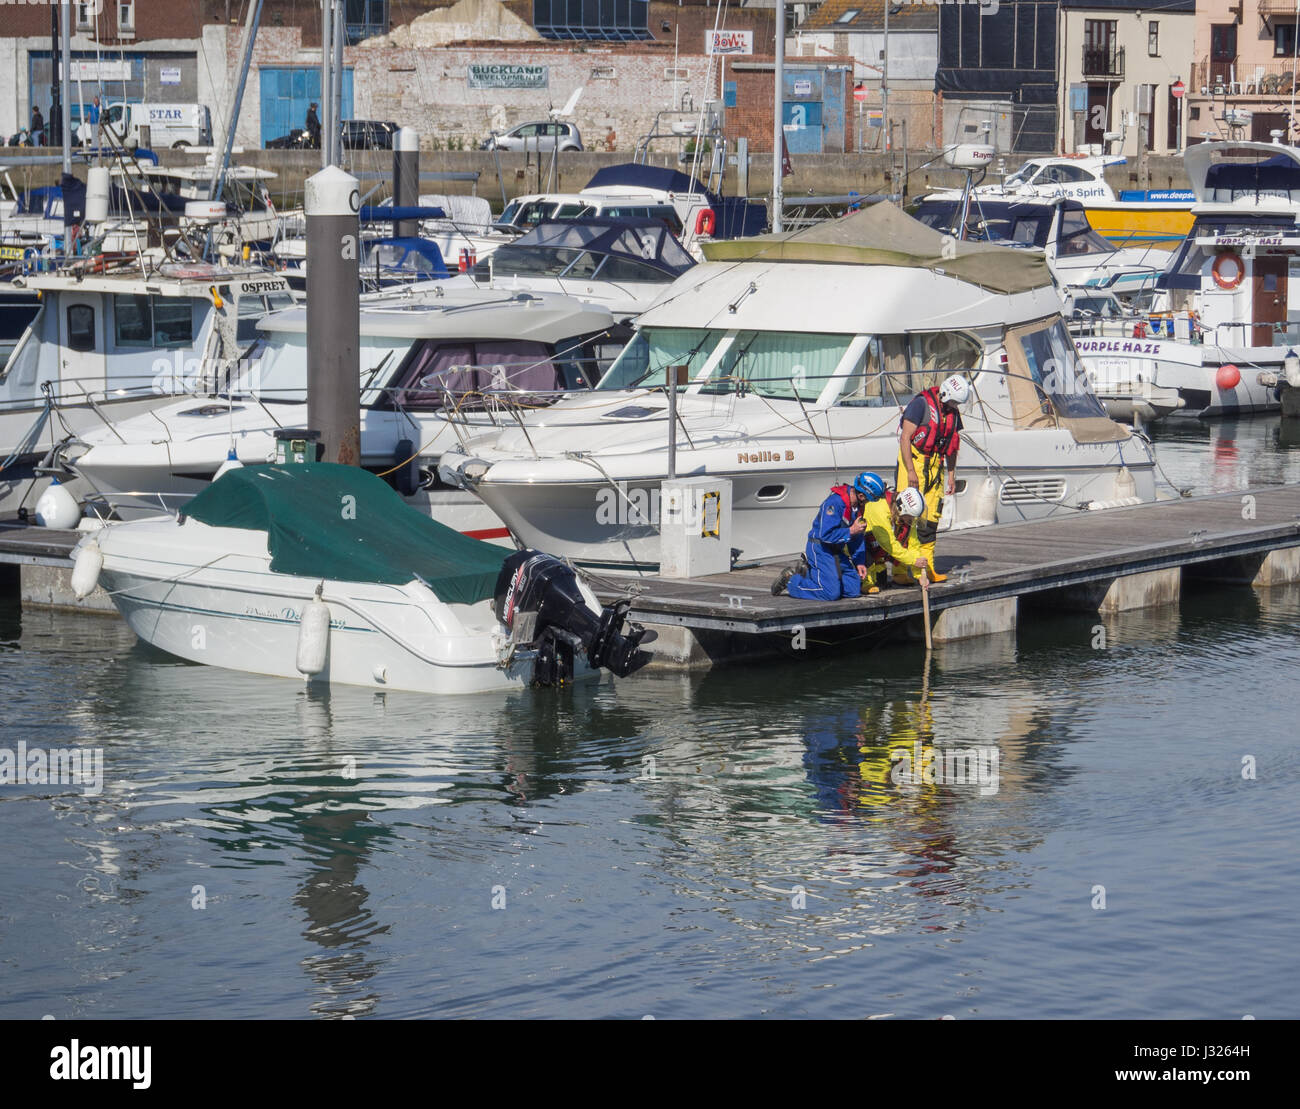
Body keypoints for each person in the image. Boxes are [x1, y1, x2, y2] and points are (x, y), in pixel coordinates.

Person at [896, 373, 970, 584]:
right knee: (905, 518)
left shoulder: (953, 412)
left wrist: (952, 474)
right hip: (914, 463)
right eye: (954, 401)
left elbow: (953, 445)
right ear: (946, 394)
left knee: (930, 521)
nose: (956, 406)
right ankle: (900, 571)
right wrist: (910, 470)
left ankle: (926, 569)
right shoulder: (921, 404)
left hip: (936, 467)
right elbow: (905, 438)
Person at [772, 472, 878, 601]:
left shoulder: (857, 508)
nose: (868, 503)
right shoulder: (834, 503)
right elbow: (825, 535)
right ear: (861, 495)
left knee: (853, 590)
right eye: (868, 499)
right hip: (820, 547)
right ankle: (792, 580)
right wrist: (850, 530)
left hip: (836, 550)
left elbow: (857, 537)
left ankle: (812, 573)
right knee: (830, 593)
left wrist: (859, 562)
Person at [861, 485, 933, 591]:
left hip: (879, 550)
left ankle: (878, 568)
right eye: (911, 517)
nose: (913, 520)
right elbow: (888, 544)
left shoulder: (907, 516)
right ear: (902, 509)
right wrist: (913, 560)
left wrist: (920, 575)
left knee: (881, 582)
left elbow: (913, 545)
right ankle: (864, 578)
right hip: (862, 545)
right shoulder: (879, 509)